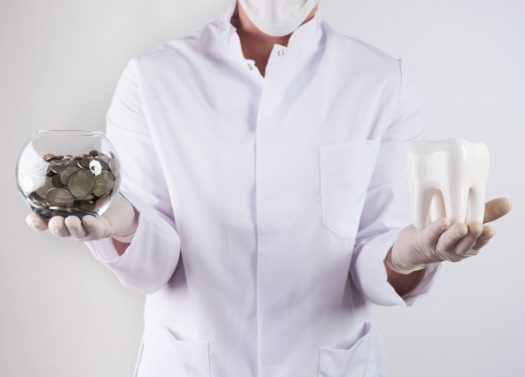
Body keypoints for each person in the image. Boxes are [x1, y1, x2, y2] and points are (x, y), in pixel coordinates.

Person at [25, 1, 512, 376]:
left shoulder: (382, 81)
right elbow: (156, 264)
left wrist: (412, 254)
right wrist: (124, 224)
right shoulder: (153, 78)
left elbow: (372, 258)